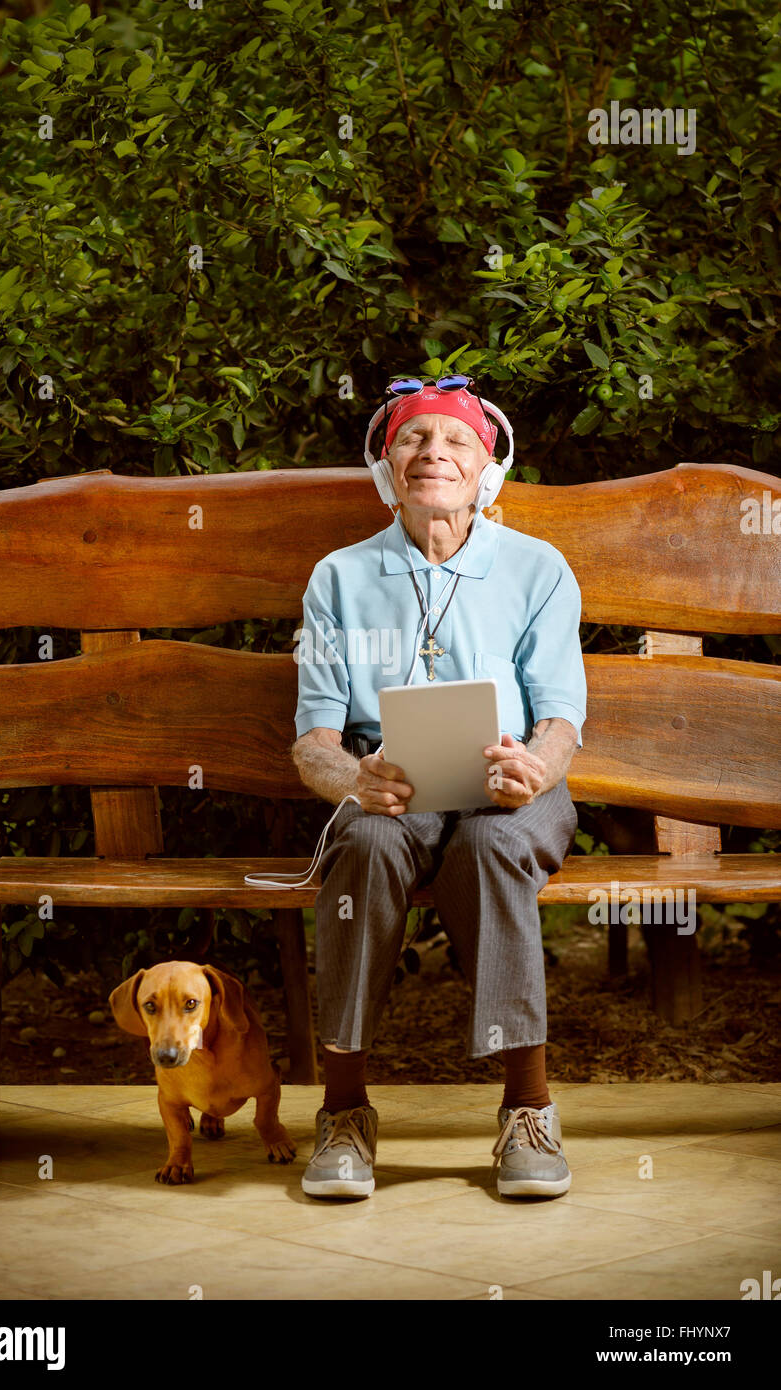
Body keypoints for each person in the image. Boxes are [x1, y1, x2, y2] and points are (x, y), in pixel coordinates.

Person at [290, 377, 587, 1200]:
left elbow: (560, 715)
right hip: (388, 783)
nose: (434, 454)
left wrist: (535, 767)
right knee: (366, 842)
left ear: (487, 469)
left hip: (509, 786)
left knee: (492, 846)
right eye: (413, 440)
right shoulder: (340, 578)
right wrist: (354, 778)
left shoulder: (536, 567)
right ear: (387, 467)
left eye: (455, 441)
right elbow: (313, 739)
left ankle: (527, 1110)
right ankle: (344, 1114)